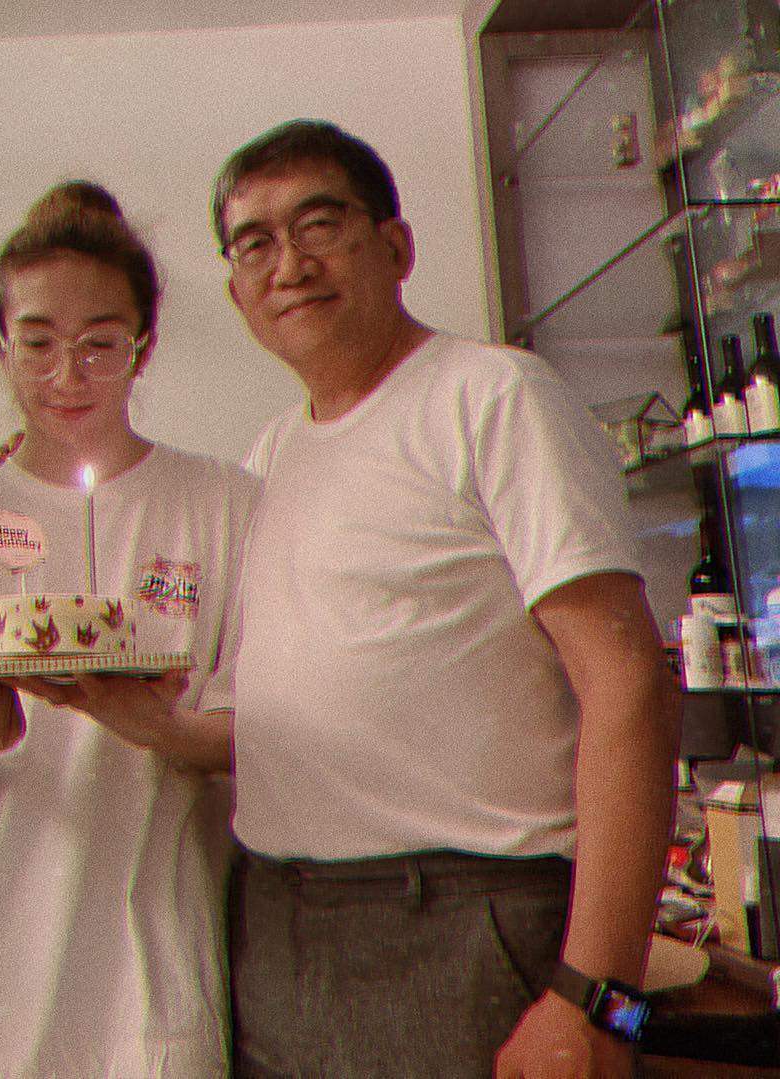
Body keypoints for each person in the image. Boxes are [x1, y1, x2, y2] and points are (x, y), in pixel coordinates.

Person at [214, 120, 680, 1078]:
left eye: (318, 224)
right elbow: (296, 717)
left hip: (465, 921)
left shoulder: (492, 395)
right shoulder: (267, 456)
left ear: (396, 246)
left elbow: (628, 680)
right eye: (254, 242)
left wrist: (598, 996)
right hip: (277, 927)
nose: (288, 263)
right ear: (234, 292)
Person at [0, 181, 259, 1077]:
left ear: (144, 346)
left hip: (156, 953)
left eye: (100, 345)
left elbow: (269, 734)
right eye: (40, 344)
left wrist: (159, 724)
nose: (68, 376)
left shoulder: (224, 504)